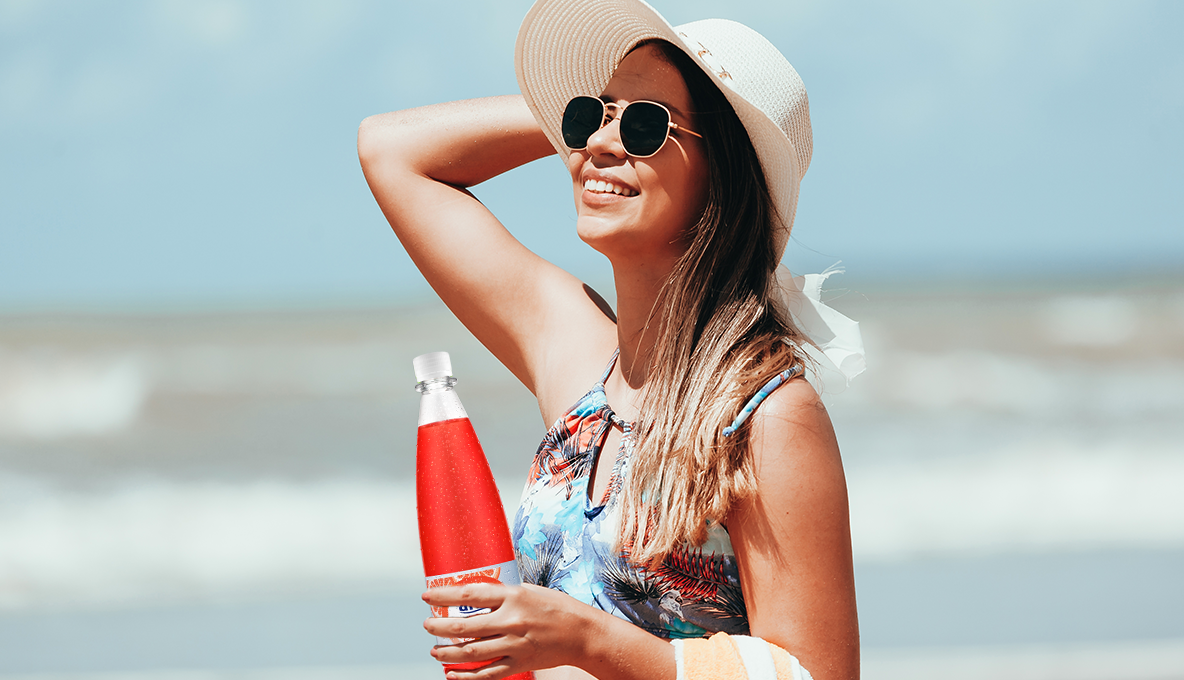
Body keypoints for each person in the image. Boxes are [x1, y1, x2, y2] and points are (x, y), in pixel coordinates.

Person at [358, 1, 864, 678]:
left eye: (649, 125)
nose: (598, 144)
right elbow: (391, 151)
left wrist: (590, 642)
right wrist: (586, 117)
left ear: (725, 172)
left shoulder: (766, 416)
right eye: (592, 117)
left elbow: (819, 673)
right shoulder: (579, 363)